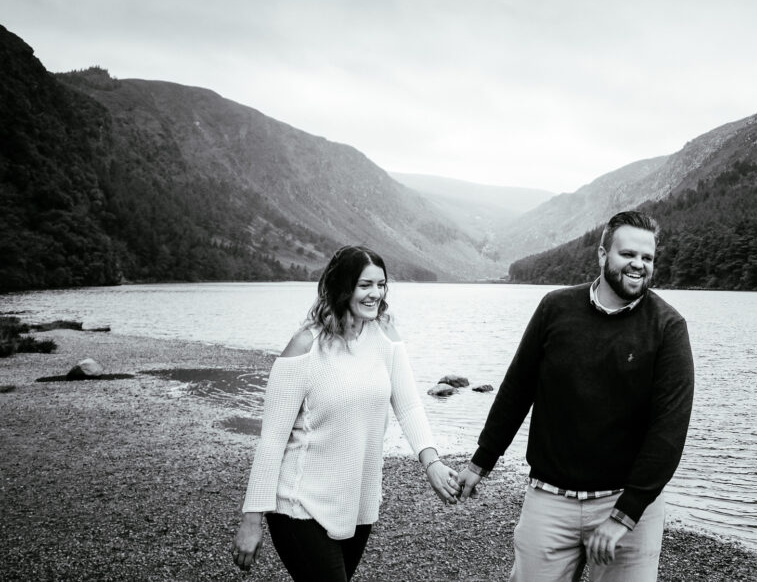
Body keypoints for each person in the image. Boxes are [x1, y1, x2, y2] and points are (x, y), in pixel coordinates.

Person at [457, 210, 694, 581]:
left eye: (647, 258)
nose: (638, 265)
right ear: (602, 255)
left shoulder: (668, 327)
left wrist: (626, 514)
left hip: (628, 508)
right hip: (549, 500)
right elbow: (517, 389)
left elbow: (669, 431)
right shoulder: (555, 308)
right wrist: (481, 461)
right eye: (628, 254)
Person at [231, 245, 460, 580]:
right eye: (365, 285)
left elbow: (409, 406)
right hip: (298, 505)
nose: (375, 294)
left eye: (381, 285)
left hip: (356, 503)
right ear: (343, 287)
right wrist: (252, 518)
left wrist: (432, 463)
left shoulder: (386, 338)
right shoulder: (305, 346)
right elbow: (272, 440)